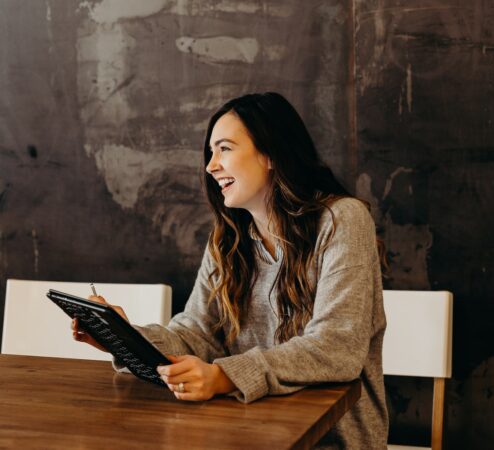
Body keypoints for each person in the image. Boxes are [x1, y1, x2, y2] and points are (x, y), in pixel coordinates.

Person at [72, 92, 389, 449]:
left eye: (224, 148)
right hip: (244, 432)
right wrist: (126, 339)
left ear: (271, 154)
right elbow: (197, 334)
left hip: (329, 440)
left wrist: (224, 377)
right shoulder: (228, 240)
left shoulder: (342, 220)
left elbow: (336, 348)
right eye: (210, 152)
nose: (210, 166)